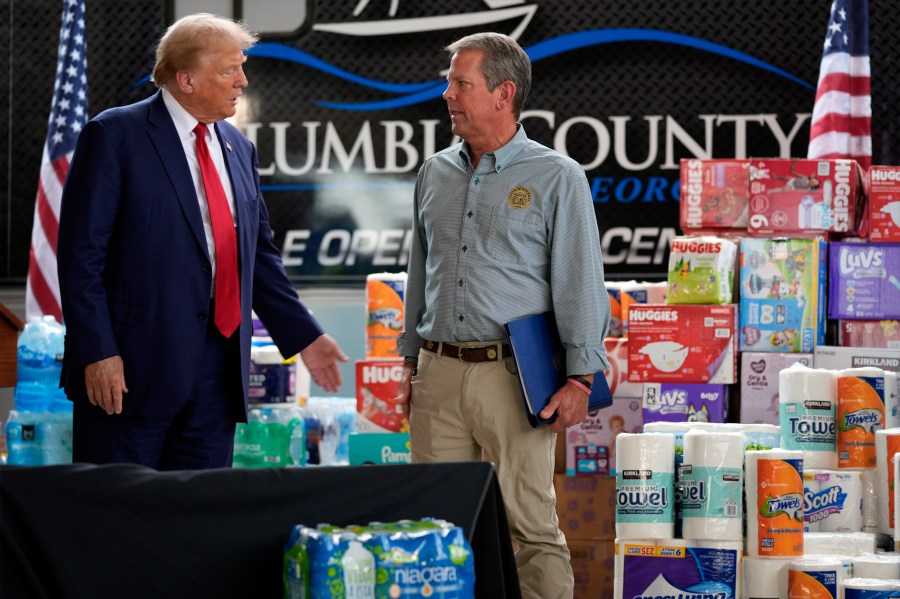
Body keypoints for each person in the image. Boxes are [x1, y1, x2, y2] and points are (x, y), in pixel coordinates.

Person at [56, 14, 348, 470]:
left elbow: (257, 259)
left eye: (242, 67)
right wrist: (98, 352)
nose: (243, 80)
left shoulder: (237, 146)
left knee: (198, 522)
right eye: (230, 69)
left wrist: (305, 337)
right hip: (130, 369)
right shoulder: (114, 135)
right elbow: (80, 259)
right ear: (186, 78)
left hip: (219, 372)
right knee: (117, 524)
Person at [396, 32, 610, 599]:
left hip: (515, 378)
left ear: (503, 93)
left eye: (461, 83)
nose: (448, 94)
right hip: (437, 374)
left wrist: (581, 377)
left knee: (530, 527)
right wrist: (407, 364)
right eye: (449, 83)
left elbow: (580, 281)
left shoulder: (557, 176)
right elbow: (421, 271)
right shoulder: (433, 172)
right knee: (433, 529)